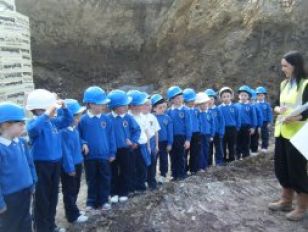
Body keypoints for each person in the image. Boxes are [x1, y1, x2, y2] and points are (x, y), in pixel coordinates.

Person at [268, 51, 308, 221]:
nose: (282, 68)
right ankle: (286, 200)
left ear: (295, 66)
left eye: (285, 65)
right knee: (281, 167)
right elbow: (276, 104)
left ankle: (302, 207)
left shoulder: (306, 85)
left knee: (297, 170)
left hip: (299, 133)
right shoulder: (284, 84)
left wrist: (296, 117)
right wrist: (279, 110)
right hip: (282, 131)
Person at [26, 89, 73, 232]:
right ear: (40, 109)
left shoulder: (54, 122)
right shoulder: (34, 123)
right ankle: (42, 228)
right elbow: (33, 130)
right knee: (42, 198)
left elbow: (67, 120)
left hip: (55, 162)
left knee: (53, 196)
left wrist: (64, 108)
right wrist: (47, 113)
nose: (54, 111)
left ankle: (51, 225)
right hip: (41, 165)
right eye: (51, 108)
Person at [0, 103, 37, 232]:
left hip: (25, 191)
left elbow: (30, 163)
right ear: (5, 125)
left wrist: (33, 182)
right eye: (20, 124)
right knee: (11, 225)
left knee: (26, 220)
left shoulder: (21, 142)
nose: (24, 126)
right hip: (9, 197)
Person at [78, 86, 116, 211]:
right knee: (91, 179)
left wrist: (112, 152)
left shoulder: (106, 119)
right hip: (90, 157)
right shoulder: (83, 120)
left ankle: (104, 200)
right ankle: (91, 202)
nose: (102, 107)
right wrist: (83, 143)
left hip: (104, 155)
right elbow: (79, 136)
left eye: (103, 104)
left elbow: (111, 137)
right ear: (90, 104)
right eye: (100, 104)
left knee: (105, 178)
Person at [107, 90, 141, 203]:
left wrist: (133, 141)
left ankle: (123, 191)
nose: (127, 106)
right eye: (124, 104)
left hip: (125, 150)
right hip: (112, 151)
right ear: (115, 106)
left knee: (126, 171)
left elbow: (137, 130)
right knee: (112, 172)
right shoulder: (107, 119)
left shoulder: (128, 118)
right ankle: (113, 193)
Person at [60, 99, 88, 223]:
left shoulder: (74, 129)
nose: (78, 119)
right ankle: (72, 216)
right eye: (76, 116)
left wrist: (83, 143)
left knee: (76, 188)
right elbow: (65, 153)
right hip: (69, 167)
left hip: (77, 162)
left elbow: (78, 139)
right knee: (69, 191)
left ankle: (74, 209)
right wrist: (69, 168)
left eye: (79, 116)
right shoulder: (63, 133)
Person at [127, 90, 151, 192]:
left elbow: (146, 132)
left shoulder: (143, 117)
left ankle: (141, 185)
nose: (143, 106)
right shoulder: (128, 117)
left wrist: (149, 146)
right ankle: (134, 187)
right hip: (133, 146)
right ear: (132, 106)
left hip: (143, 144)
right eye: (141, 104)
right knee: (133, 167)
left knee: (144, 165)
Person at [167, 86, 192, 180]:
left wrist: (188, 139)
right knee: (173, 156)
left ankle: (182, 174)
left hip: (182, 137)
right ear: (172, 100)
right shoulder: (169, 111)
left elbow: (188, 126)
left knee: (181, 156)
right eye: (177, 98)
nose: (180, 99)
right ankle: (174, 174)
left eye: (181, 97)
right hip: (172, 137)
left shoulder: (186, 110)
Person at [151, 94, 173, 183]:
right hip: (154, 143)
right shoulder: (151, 118)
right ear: (154, 108)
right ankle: (152, 176)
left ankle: (163, 174)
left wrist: (170, 143)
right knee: (154, 160)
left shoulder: (167, 118)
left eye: (164, 107)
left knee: (164, 159)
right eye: (160, 108)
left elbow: (170, 132)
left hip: (164, 142)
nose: (163, 109)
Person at [218, 87, 241, 162]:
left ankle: (232, 158)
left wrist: (237, 127)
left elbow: (238, 118)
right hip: (223, 129)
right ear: (221, 98)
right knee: (223, 145)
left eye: (228, 96)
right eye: (224, 97)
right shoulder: (219, 108)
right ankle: (223, 158)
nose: (226, 98)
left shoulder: (235, 107)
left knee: (232, 144)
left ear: (231, 96)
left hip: (232, 129)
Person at [143, 98, 161, 190]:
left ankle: (152, 181)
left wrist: (157, 145)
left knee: (153, 162)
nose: (149, 107)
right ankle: (144, 181)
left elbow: (156, 131)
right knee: (144, 163)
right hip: (144, 142)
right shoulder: (140, 116)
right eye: (146, 104)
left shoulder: (152, 117)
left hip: (152, 141)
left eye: (150, 105)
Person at [235, 85, 257, 159]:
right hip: (238, 127)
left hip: (247, 127)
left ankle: (246, 156)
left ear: (248, 97)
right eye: (242, 95)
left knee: (246, 142)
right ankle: (237, 156)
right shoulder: (235, 106)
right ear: (239, 96)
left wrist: (253, 127)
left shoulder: (250, 106)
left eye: (245, 95)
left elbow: (253, 117)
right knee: (237, 142)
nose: (243, 97)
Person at [183, 88, 201, 174]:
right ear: (185, 101)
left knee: (195, 152)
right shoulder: (183, 110)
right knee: (185, 153)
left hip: (196, 133)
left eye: (193, 100)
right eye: (190, 100)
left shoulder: (196, 110)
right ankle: (184, 169)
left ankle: (194, 169)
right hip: (186, 134)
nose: (192, 102)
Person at [205, 89, 225, 166]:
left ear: (214, 100)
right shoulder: (204, 111)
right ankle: (208, 163)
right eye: (208, 99)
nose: (210, 101)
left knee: (219, 148)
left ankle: (219, 162)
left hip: (217, 133)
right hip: (208, 134)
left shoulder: (218, 109)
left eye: (212, 99)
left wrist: (221, 132)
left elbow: (222, 121)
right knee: (209, 149)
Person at [195, 92, 213, 172]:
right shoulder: (197, 113)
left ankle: (205, 166)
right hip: (199, 135)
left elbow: (212, 124)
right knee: (200, 151)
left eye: (206, 103)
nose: (205, 105)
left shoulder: (209, 113)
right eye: (202, 104)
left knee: (206, 150)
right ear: (198, 105)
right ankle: (200, 167)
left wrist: (212, 135)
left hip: (207, 135)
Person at [256, 86, 273, 153]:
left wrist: (269, 122)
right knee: (255, 136)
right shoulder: (254, 104)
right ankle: (255, 147)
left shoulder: (267, 104)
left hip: (264, 122)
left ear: (264, 96)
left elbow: (269, 113)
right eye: (259, 95)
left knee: (265, 135)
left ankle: (264, 147)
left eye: (262, 95)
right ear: (256, 96)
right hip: (256, 122)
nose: (260, 97)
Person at [249, 88, 264, 155]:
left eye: (254, 100)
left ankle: (254, 150)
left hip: (256, 125)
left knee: (255, 138)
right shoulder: (246, 106)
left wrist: (259, 125)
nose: (252, 101)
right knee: (247, 139)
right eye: (251, 100)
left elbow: (260, 116)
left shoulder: (256, 107)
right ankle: (248, 150)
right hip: (248, 125)